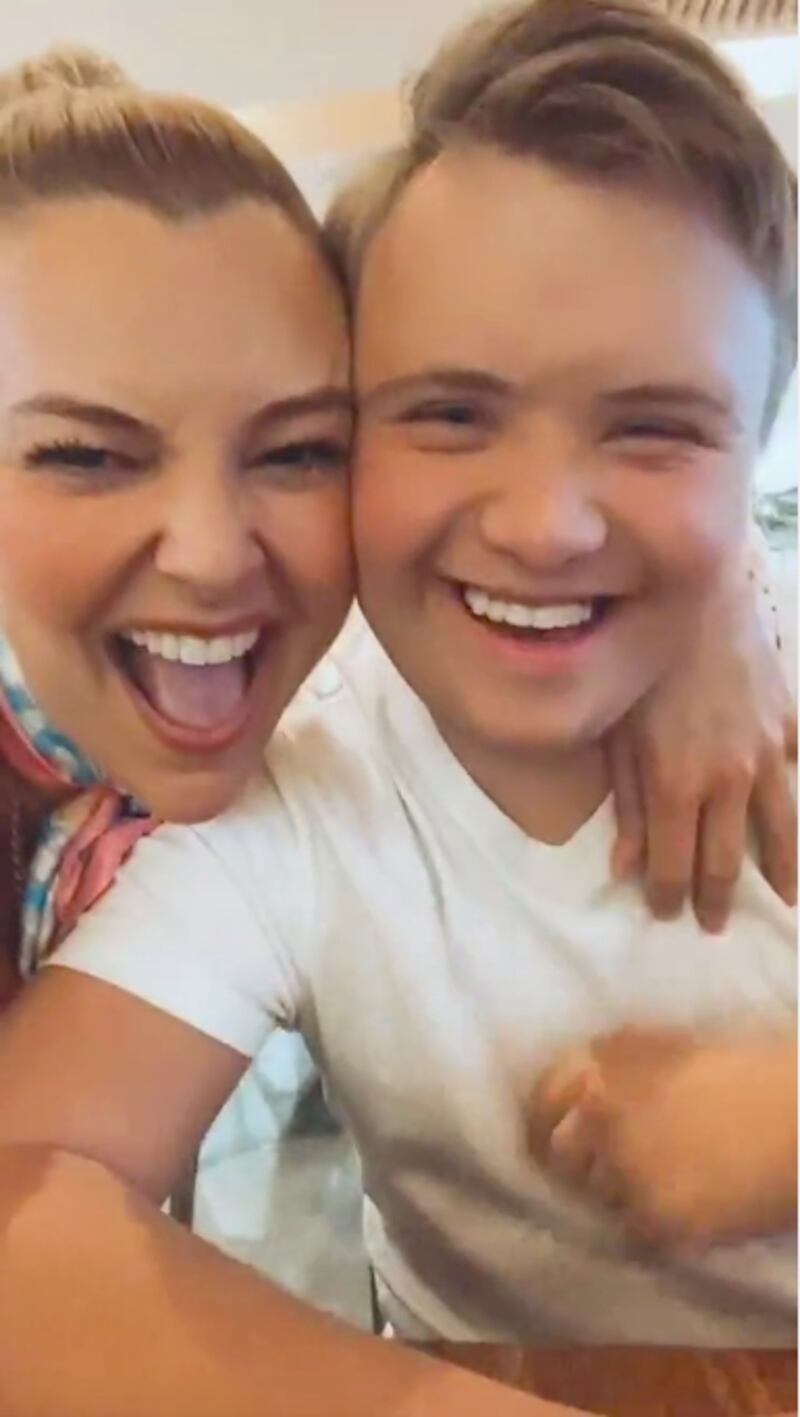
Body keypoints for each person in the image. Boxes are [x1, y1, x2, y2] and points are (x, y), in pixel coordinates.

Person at [0, 5, 796, 1412]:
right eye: (448, 414)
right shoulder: (296, 784)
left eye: (655, 426)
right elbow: (29, 1185)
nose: (544, 524)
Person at [0, 45, 573, 1417]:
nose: (211, 553)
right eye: (84, 454)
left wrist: (725, 608)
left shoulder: (275, 724)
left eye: (300, 450)